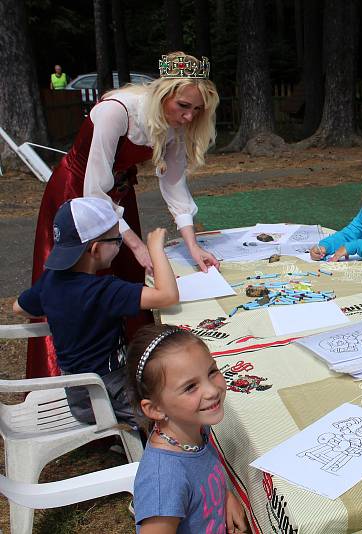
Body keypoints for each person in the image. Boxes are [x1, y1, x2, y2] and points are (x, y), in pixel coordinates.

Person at [29, 51, 219, 378]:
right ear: (163, 94)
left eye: (198, 110)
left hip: (117, 195)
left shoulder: (176, 124)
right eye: (183, 107)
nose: (189, 117)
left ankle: (133, 372)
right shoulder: (115, 112)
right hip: (78, 194)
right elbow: (93, 187)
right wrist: (133, 242)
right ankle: (77, 378)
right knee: (85, 282)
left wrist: (192, 244)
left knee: (129, 278)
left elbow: (174, 183)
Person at [13, 197, 179, 426]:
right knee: (178, 408)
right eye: (117, 240)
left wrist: (63, 314)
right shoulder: (103, 291)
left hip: (78, 395)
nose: (119, 245)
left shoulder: (50, 281)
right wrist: (155, 249)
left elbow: (19, 307)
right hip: (107, 393)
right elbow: (167, 296)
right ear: (96, 249)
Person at [126, 324, 248, 533]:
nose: (211, 390)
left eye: (212, 372)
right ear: (155, 408)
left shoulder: (196, 428)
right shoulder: (164, 481)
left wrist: (225, 496)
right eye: (190, 387)